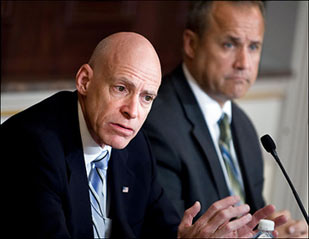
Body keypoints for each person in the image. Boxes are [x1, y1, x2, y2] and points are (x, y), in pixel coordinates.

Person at [1, 32, 286, 238]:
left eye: (147, 97)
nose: (133, 111)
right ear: (85, 81)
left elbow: (165, 230)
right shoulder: (31, 144)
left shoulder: (134, 146)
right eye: (121, 89)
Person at [143, 1, 308, 238]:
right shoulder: (156, 122)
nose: (243, 63)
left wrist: (273, 233)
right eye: (229, 44)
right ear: (191, 44)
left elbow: (252, 220)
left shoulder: (243, 127)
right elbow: (168, 231)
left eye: (253, 47)